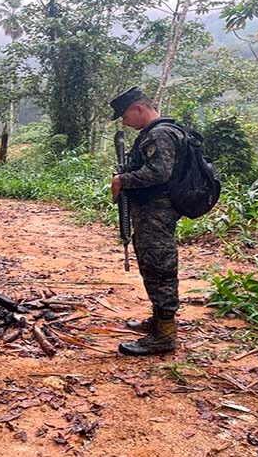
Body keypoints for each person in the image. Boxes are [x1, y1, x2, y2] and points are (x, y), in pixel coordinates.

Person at [109, 86, 184, 356]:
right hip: (151, 212)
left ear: (139, 108)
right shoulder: (158, 132)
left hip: (156, 213)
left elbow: (159, 172)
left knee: (160, 269)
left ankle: (164, 336)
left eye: (125, 115)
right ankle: (159, 322)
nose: (124, 122)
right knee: (153, 267)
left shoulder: (160, 133)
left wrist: (122, 180)